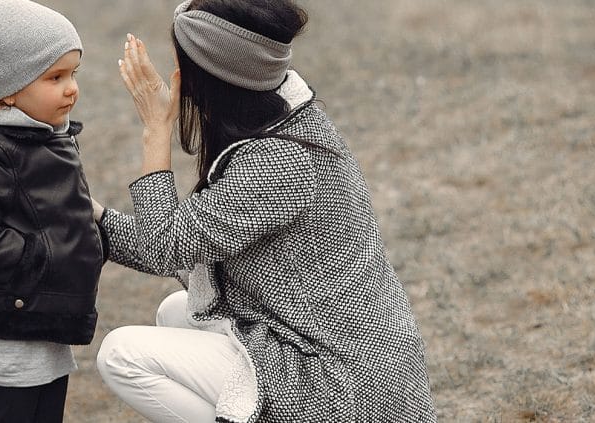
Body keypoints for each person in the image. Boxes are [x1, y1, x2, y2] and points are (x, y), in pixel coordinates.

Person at [91, 0, 437, 421]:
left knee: (121, 355)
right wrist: (92, 218)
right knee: (176, 311)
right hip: (340, 355)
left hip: (344, 384)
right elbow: (186, 240)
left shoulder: (277, 161)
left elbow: (168, 246)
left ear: (212, 76)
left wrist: (155, 129)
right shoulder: (288, 122)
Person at [0, 0, 106, 422]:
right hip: (5, 332)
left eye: (73, 74)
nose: (71, 88)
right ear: (8, 88)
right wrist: (41, 258)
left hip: (41, 325)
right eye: (55, 77)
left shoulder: (45, 136)